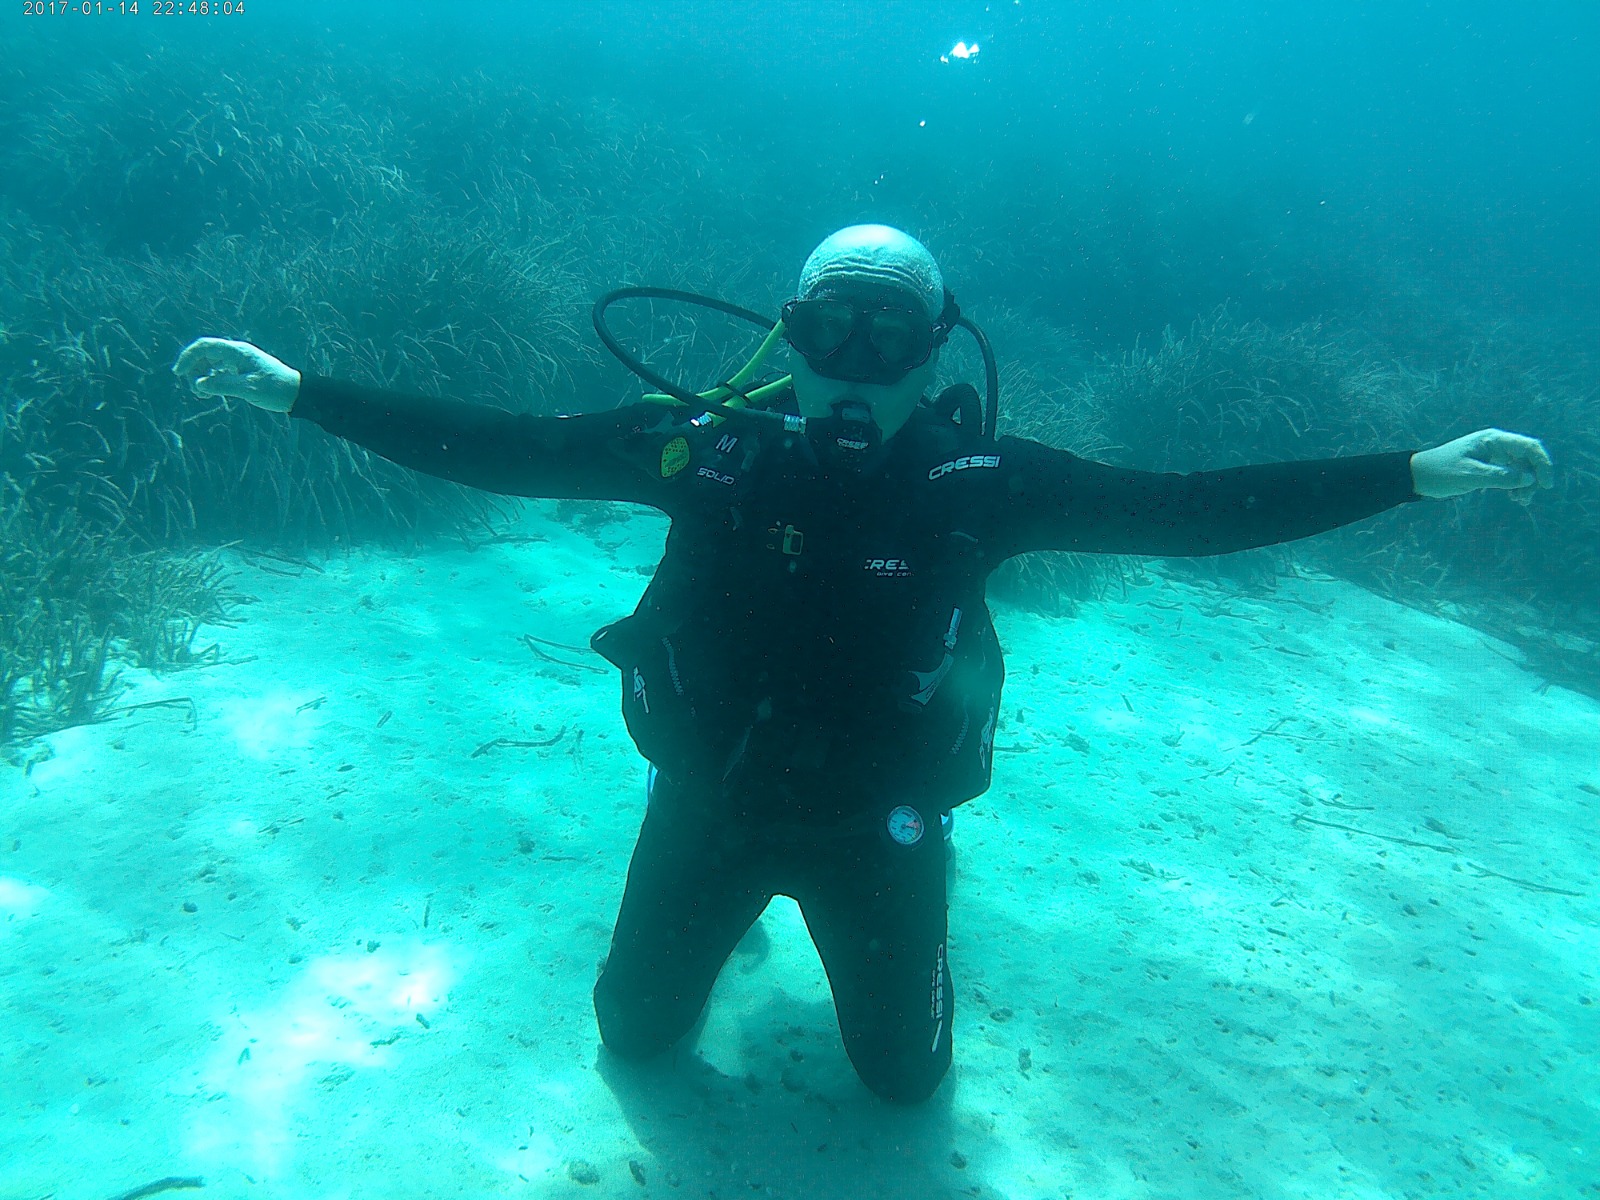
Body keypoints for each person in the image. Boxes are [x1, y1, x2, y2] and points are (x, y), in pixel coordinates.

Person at [173, 223, 1552, 1103]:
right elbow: (516, 449)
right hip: (707, 797)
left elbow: (1186, 511)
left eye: (893, 333)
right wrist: (306, 393)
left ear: (936, 347)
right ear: (790, 330)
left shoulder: (980, 480)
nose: (857, 363)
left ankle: (903, 936)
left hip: (887, 825)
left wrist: (1412, 473)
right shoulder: (703, 444)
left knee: (904, 1085)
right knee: (634, 1039)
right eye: (834, 327)